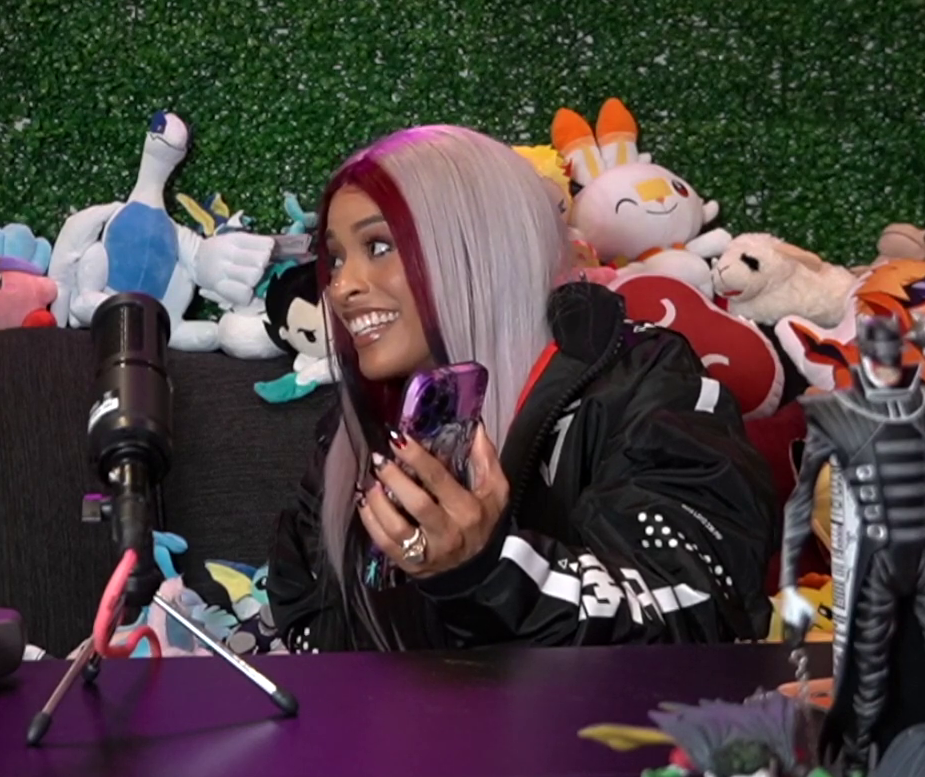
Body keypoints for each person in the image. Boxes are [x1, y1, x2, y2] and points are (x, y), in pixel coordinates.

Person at [264, 125, 778, 652]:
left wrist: (487, 573)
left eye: (378, 245)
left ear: (480, 249)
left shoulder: (647, 387)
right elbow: (306, 613)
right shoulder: (358, 427)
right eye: (336, 258)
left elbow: (697, 613)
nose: (341, 287)